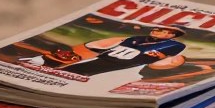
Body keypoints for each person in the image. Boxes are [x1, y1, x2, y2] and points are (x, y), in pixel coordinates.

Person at [59, 26, 187, 77]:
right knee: (66, 72)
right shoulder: (137, 38)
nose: (155, 30)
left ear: (172, 34)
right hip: (103, 60)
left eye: (161, 30)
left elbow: (157, 60)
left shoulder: (175, 45)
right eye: (155, 28)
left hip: (126, 69)